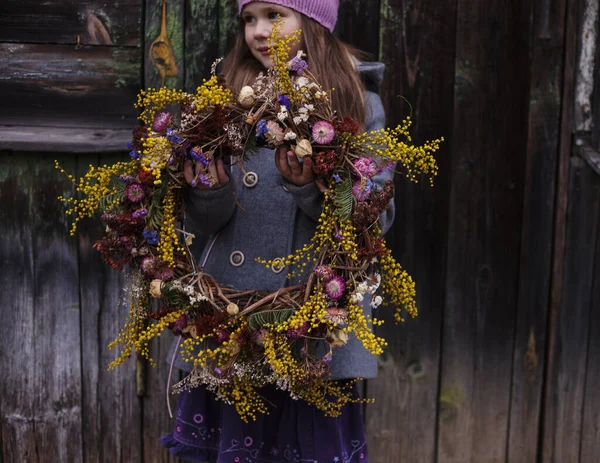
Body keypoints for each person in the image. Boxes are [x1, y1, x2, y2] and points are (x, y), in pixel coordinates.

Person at [160, 1, 394, 461]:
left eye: (275, 15)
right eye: (250, 18)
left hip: (311, 332)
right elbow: (203, 225)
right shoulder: (223, 101)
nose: (259, 31)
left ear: (314, 20)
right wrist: (208, 191)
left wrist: (310, 189)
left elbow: (376, 220)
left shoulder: (357, 102)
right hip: (232, 319)